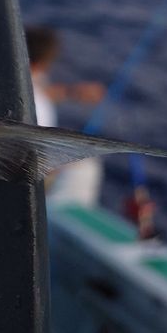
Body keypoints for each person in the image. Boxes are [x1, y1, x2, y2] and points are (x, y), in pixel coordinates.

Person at [25, 24, 107, 205]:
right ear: (44, 63)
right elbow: (31, 162)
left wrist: (74, 92)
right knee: (87, 167)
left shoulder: (22, 81)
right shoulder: (39, 107)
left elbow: (38, 89)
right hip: (25, 175)